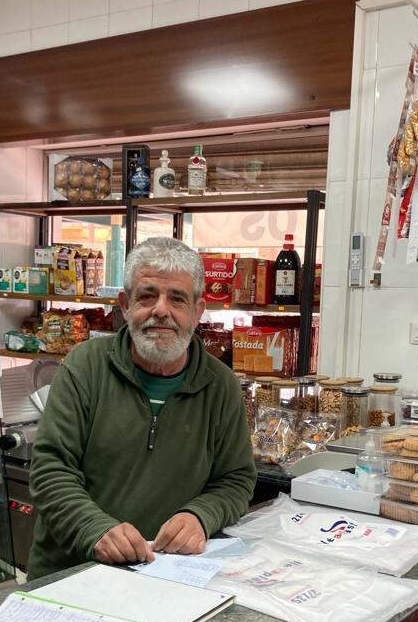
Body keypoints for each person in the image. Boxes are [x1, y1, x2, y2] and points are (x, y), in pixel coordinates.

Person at [27, 237, 257, 579]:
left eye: (177, 299)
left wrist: (200, 516)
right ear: (125, 304)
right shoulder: (85, 366)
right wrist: (95, 529)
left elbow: (236, 479)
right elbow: (51, 468)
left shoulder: (220, 384)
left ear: (197, 311)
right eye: (147, 296)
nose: (161, 310)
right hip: (72, 572)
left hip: (168, 574)